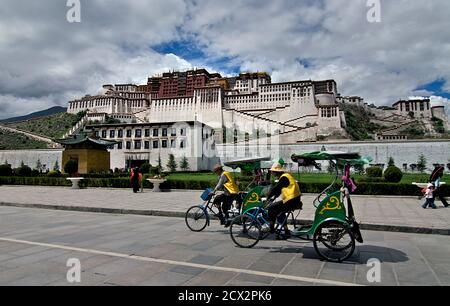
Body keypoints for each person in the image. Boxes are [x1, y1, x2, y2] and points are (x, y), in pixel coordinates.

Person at [265, 162, 302, 239]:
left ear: (276, 171)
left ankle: (271, 229)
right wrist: (273, 197)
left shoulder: (284, 177)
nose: (272, 173)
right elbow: (279, 191)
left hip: (291, 201)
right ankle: (286, 230)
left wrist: (268, 196)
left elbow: (276, 188)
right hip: (293, 201)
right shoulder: (285, 176)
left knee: (271, 209)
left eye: (272, 171)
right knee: (279, 211)